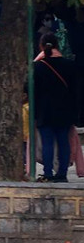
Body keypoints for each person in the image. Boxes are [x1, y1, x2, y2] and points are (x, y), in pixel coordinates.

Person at [33, 33, 75, 182]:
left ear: (41, 47)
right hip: (65, 110)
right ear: (58, 45)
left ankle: (48, 173)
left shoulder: (38, 67)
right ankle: (62, 173)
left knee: (47, 142)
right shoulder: (69, 65)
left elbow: (31, 88)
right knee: (63, 141)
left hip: (44, 111)